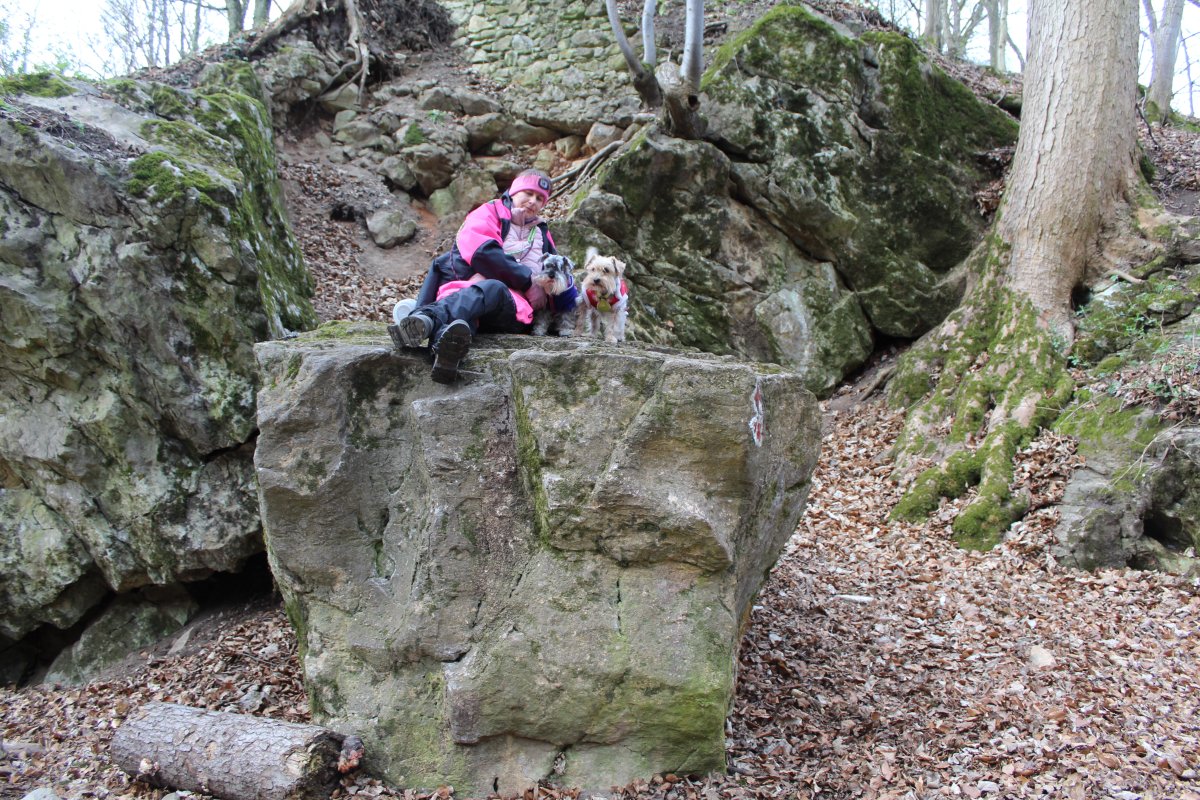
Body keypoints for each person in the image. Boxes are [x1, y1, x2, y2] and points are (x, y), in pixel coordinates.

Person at [388, 169, 578, 383]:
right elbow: (482, 252)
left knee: (492, 289)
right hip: (468, 294)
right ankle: (444, 353)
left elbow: (560, 278)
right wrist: (527, 282)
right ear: (514, 191)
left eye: (540, 198)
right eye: (528, 193)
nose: (533, 201)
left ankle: (425, 320)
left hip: (515, 313)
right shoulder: (490, 212)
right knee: (464, 319)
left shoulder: (542, 233)